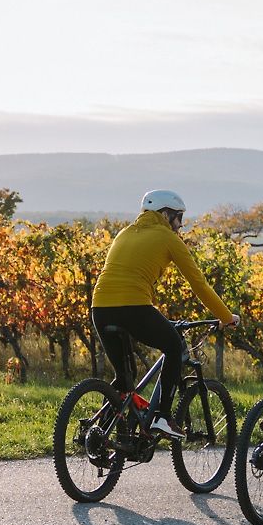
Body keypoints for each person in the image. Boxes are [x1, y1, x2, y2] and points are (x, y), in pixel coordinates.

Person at [91, 189, 239, 441]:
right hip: (134, 306)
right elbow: (199, 284)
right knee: (173, 346)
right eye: (179, 218)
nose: (180, 225)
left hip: (100, 307)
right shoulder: (168, 238)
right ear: (166, 214)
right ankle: (161, 416)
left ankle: (100, 433)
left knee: (125, 378)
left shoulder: (124, 233)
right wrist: (226, 317)